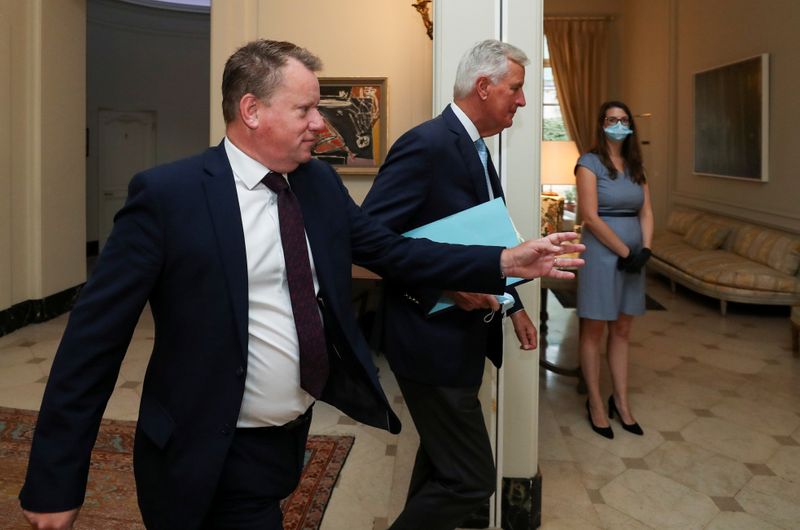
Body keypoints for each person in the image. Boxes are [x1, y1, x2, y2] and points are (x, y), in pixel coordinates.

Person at [19, 39, 584, 530]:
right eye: (307, 108)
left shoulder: (316, 184)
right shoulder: (169, 197)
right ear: (252, 111)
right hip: (199, 445)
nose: (322, 122)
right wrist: (54, 477)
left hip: (284, 439)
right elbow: (93, 343)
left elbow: (391, 250)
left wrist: (504, 260)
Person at [361, 39, 537, 530]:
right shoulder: (428, 144)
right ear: (484, 87)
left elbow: (487, 241)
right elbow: (369, 240)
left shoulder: (476, 149)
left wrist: (513, 304)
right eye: (516, 89)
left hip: (460, 340)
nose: (521, 102)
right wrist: (442, 287)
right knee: (470, 480)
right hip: (427, 342)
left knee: (443, 464)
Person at [575, 100, 653, 439]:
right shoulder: (588, 163)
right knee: (594, 330)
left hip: (634, 257)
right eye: (611, 119)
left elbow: (646, 210)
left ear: (631, 125)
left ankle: (620, 401)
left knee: (622, 330)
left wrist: (645, 249)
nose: (618, 125)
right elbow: (590, 216)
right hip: (602, 254)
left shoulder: (636, 165)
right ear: (601, 124)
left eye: (623, 120)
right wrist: (623, 251)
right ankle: (594, 403)